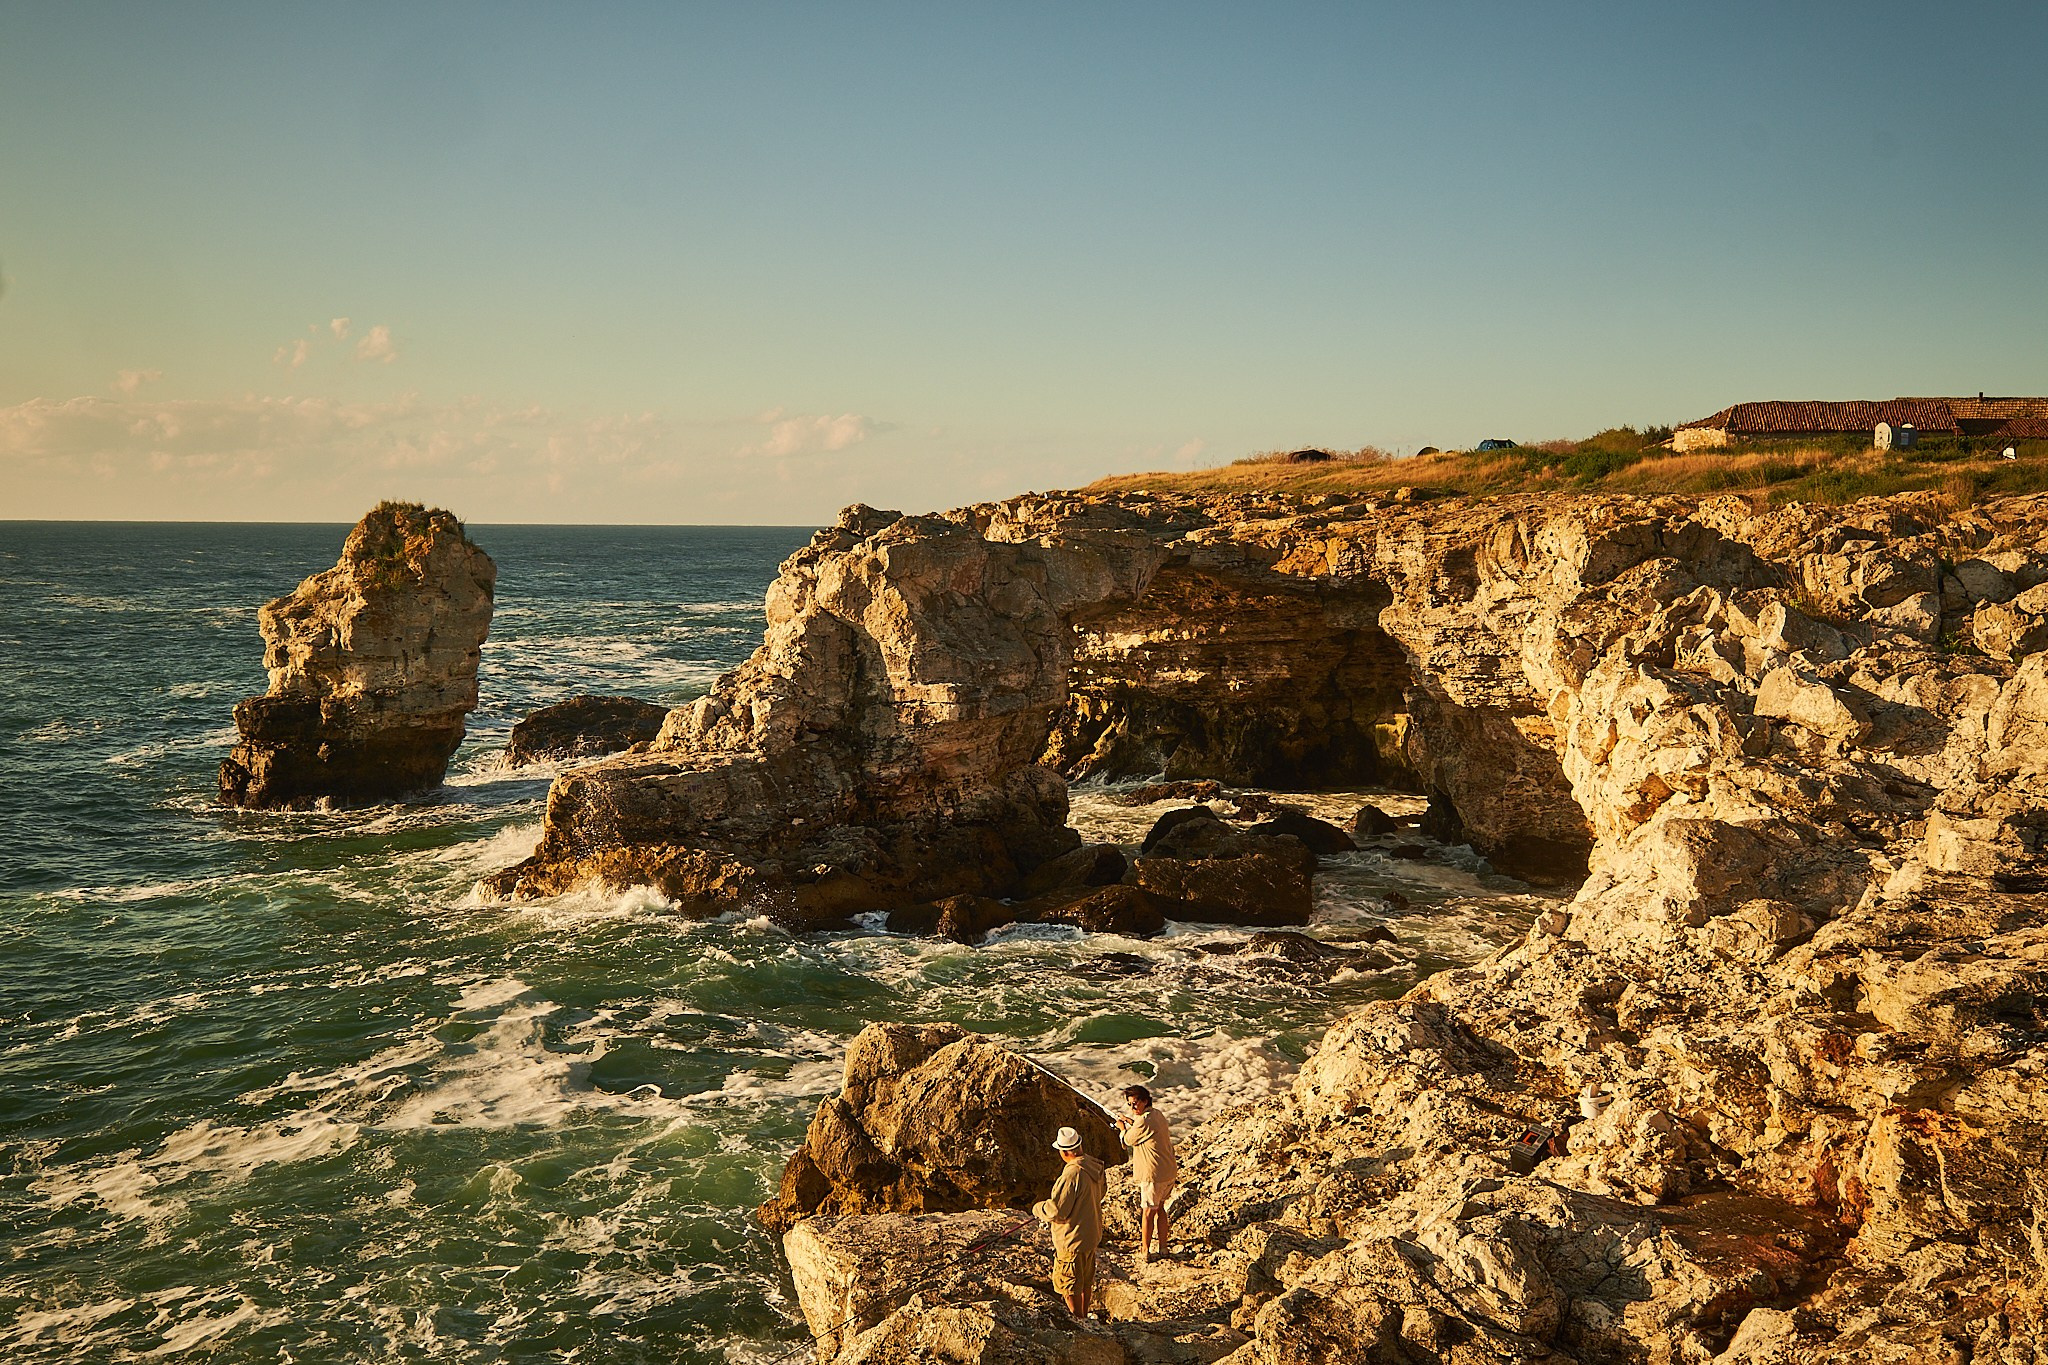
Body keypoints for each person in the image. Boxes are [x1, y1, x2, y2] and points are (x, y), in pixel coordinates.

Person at [1031, 1125, 1106, 1318]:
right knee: (1085, 1281)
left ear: (1064, 1152)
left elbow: (1057, 1210)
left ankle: (1078, 1319)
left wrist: (1038, 1208)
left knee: (1069, 1284)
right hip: (1091, 1235)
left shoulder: (1072, 1174)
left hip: (1072, 1240)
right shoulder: (1093, 1165)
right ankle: (1084, 1314)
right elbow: (1101, 1193)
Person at [1116, 1084, 1177, 1261]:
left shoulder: (1143, 1121)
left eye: (1135, 1103)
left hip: (1154, 1175)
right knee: (1161, 1209)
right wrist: (1130, 1121)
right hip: (1168, 1171)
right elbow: (1146, 1127)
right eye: (1129, 1104)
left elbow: (1128, 1140)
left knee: (1148, 1212)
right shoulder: (1156, 1114)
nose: (1132, 1107)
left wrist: (1122, 1128)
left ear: (1144, 1101)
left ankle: (1145, 1250)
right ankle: (1164, 1248)